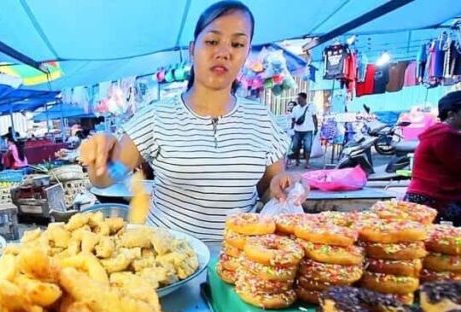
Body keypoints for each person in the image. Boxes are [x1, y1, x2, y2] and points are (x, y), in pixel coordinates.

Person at [79, 1, 306, 242]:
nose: (224, 52)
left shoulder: (263, 121)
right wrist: (100, 156)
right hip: (168, 261)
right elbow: (106, 177)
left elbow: (268, 188)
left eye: (237, 44)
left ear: (246, 54)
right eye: (212, 41)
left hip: (235, 260)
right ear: (192, 49)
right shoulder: (156, 117)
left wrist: (285, 186)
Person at [404, 90, 461, 226]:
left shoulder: (440, 132)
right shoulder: (445, 135)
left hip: (426, 196)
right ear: (451, 114)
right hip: (432, 198)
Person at [290, 92, 318, 169]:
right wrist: (292, 128)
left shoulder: (311, 107)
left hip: (308, 130)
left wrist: (316, 128)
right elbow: (293, 119)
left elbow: (314, 118)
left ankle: (307, 162)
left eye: (300, 99)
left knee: (307, 147)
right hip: (297, 130)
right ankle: (297, 161)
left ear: (304, 98)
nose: (298, 100)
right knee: (296, 146)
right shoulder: (295, 108)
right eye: (298, 99)